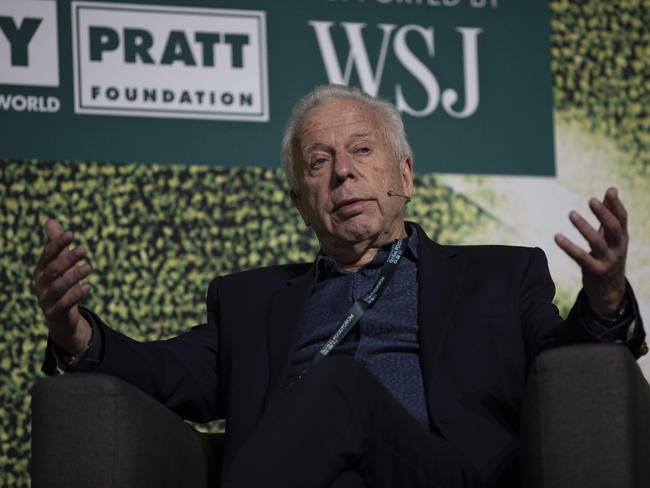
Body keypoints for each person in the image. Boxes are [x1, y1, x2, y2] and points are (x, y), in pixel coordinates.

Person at [34, 85, 646, 488]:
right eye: (319, 162)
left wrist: (606, 300)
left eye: (361, 150)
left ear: (404, 175)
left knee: (344, 388)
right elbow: (166, 373)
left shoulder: (499, 276)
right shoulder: (250, 304)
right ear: (300, 201)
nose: (345, 171)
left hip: (439, 474)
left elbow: (567, 369)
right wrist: (75, 333)